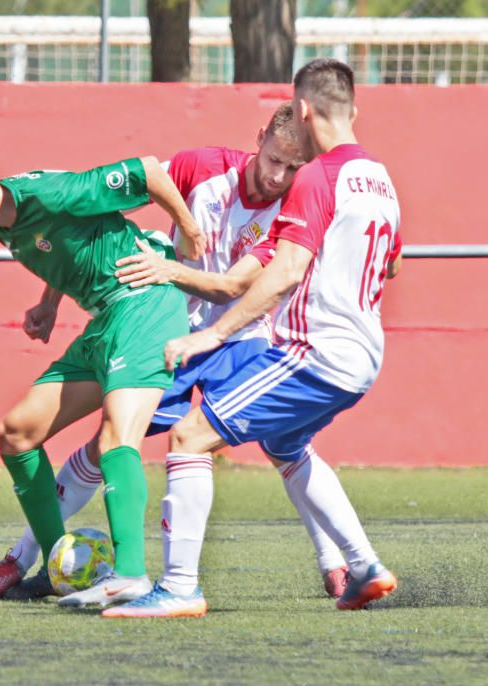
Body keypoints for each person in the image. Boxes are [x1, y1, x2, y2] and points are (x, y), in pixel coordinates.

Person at [0, 103, 357, 605]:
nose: (278, 175)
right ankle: (33, 560)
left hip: (238, 332)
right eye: (274, 160)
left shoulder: (295, 204)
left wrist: (170, 267)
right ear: (259, 137)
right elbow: (90, 220)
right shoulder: (202, 167)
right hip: (165, 324)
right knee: (105, 447)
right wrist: (50, 299)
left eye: (292, 168)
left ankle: (340, 564)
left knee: (285, 444)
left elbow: (233, 286)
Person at [104, 58, 402, 618]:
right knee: (286, 446)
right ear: (353, 112)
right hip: (365, 354)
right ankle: (362, 566)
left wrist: (209, 335)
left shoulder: (317, 176)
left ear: (305, 111)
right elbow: (393, 266)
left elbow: (284, 272)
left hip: (314, 354)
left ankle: (180, 588)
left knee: (190, 437)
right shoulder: (381, 178)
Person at [0, 149, 206, 610]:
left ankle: (130, 575)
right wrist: (50, 302)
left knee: (116, 438)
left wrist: (188, 231)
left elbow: (147, 171)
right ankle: (56, 567)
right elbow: (71, 241)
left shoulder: (49, 195)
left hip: (144, 306)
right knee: (15, 433)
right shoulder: (5, 220)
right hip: (104, 322)